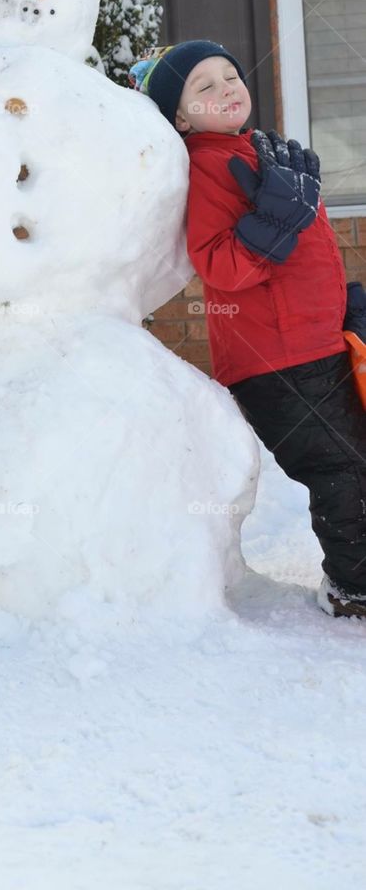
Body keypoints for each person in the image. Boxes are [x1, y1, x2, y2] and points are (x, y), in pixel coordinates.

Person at [133, 40, 366, 620]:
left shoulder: (259, 153)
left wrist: (342, 304)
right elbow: (219, 264)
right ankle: (353, 590)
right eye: (203, 87)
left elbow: (300, 257)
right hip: (276, 361)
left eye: (230, 75)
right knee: (341, 468)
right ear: (181, 118)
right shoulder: (209, 164)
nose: (227, 88)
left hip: (313, 342)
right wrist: (275, 217)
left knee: (355, 460)